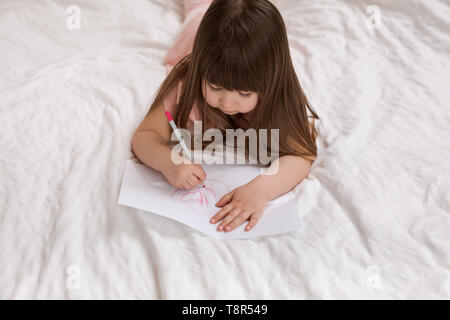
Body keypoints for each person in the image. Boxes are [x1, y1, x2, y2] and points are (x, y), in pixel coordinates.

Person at [131, 0, 320, 233]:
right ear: (200, 71)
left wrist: (262, 189)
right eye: (215, 86)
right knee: (198, 11)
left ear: (270, 83)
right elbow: (145, 136)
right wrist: (167, 162)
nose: (227, 103)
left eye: (244, 92)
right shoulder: (186, 81)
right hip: (195, 32)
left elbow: (301, 153)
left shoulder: (279, 96)